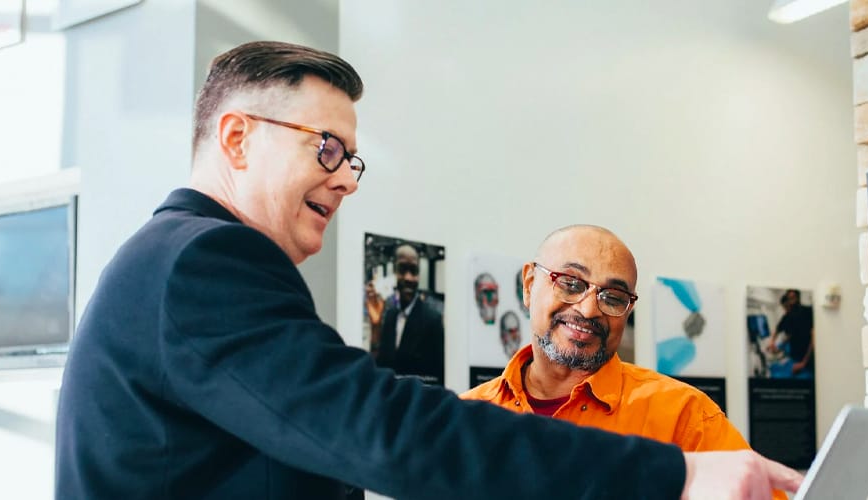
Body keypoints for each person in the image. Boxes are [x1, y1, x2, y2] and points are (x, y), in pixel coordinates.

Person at [54, 40, 802, 500]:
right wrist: (674, 476)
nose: (346, 178)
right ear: (238, 138)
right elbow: (379, 430)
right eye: (327, 149)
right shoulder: (203, 260)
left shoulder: (178, 260)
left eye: (353, 160)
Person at [462, 225, 785, 500]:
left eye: (613, 297)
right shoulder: (464, 420)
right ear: (530, 284)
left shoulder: (684, 417)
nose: (589, 310)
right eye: (571, 283)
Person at [371, 244, 445, 384]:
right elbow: (381, 366)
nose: (408, 278)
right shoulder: (390, 316)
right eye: (402, 269)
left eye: (414, 271)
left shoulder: (432, 320)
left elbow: (438, 378)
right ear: (394, 271)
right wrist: (375, 326)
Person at [770, 289, 814, 379]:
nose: (790, 303)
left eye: (793, 298)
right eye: (789, 299)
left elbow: (814, 338)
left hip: (808, 359)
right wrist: (772, 342)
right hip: (795, 358)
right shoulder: (787, 316)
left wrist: (804, 363)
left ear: (798, 298)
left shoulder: (808, 311)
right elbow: (779, 329)